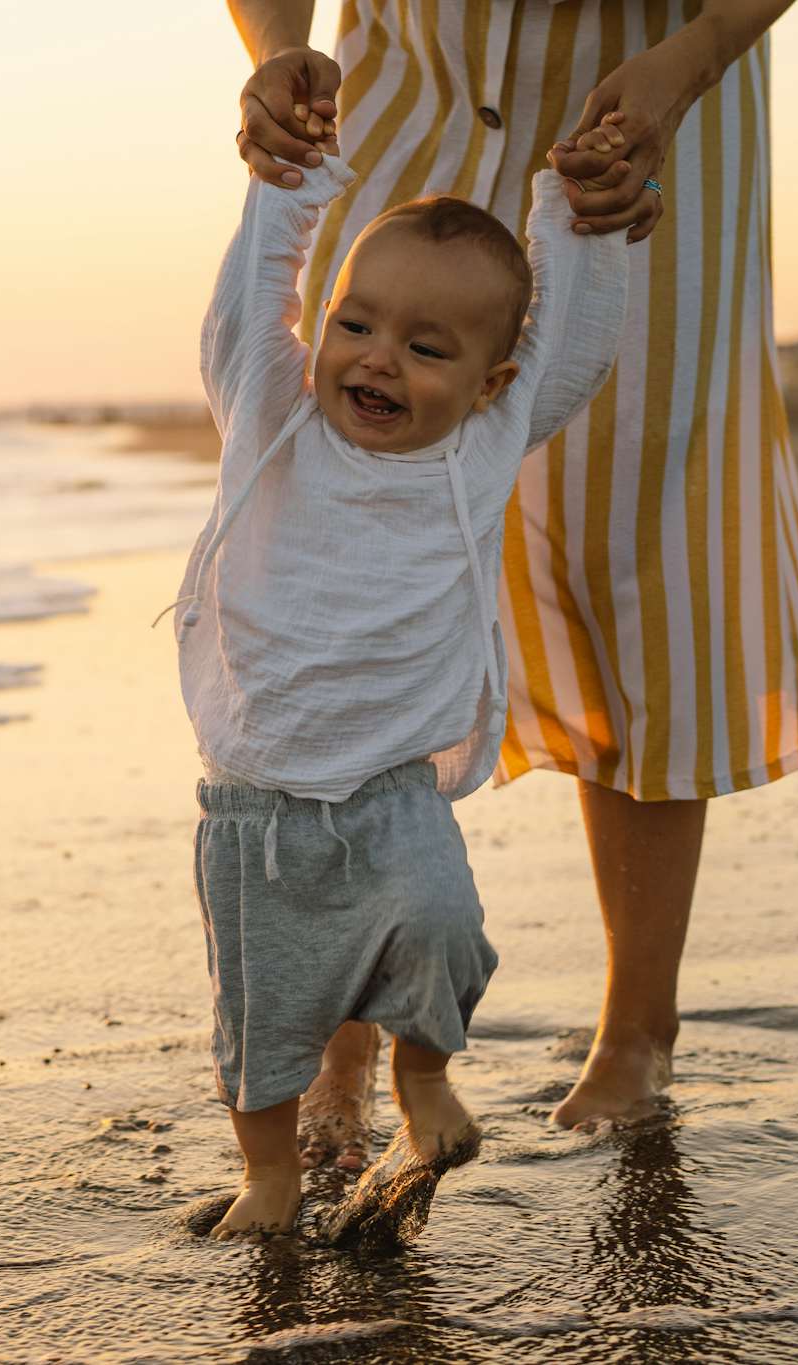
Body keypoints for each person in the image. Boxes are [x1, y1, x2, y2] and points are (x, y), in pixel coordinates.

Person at [225, 0, 798, 1158]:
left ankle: (634, 1027)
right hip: (404, 87)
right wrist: (274, 51)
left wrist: (698, 54)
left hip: (657, 91)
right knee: (341, 502)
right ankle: (341, 1046)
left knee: (645, 532)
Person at [176, 112, 634, 1242]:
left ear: (489, 386)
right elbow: (247, 308)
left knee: (440, 932)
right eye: (356, 324)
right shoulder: (270, 417)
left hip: (392, 790)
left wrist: (574, 221)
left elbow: (572, 341)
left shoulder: (477, 450)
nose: (377, 358)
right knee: (263, 1013)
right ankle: (269, 1177)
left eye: (427, 350)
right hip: (256, 808)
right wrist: (290, 189)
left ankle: (420, 1085)